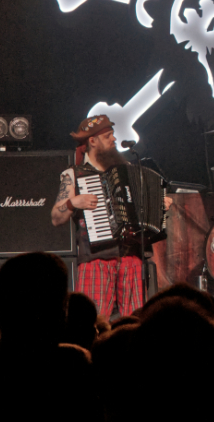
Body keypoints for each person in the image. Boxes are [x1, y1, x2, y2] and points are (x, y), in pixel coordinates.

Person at [50, 114, 169, 317]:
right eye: (108, 136)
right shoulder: (74, 174)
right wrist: (72, 202)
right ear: (92, 141)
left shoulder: (128, 170)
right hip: (96, 259)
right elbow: (55, 217)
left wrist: (160, 205)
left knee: (135, 319)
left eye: (112, 134)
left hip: (131, 256)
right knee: (92, 319)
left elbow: (145, 209)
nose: (114, 139)